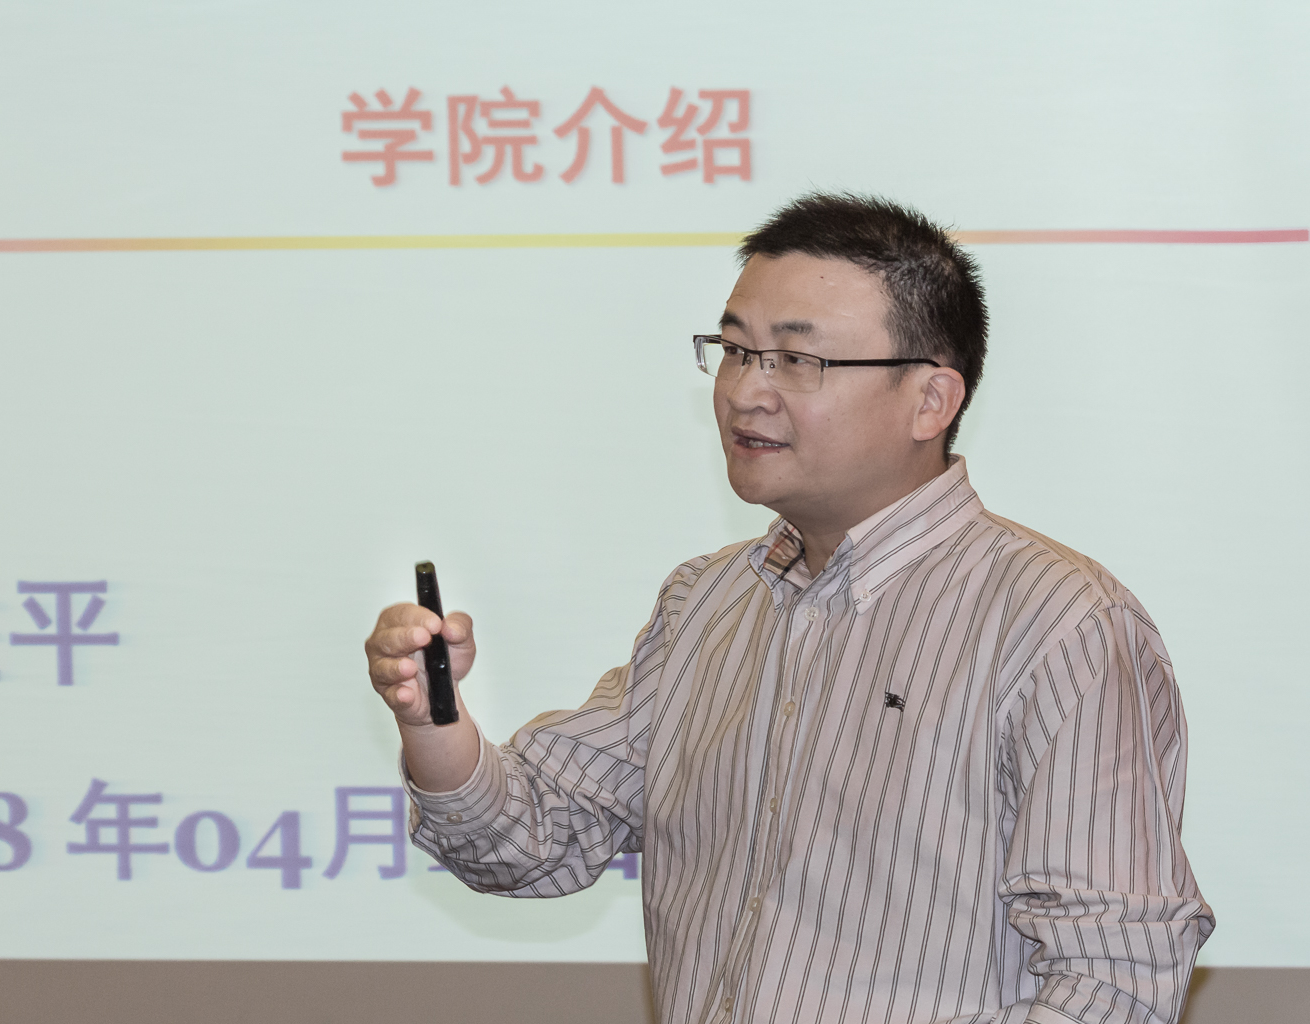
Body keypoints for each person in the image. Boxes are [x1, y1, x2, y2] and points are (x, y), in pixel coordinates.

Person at [363, 193, 1213, 1024]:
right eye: (736, 351)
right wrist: (433, 721)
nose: (745, 392)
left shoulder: (1057, 624)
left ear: (931, 400)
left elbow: (1114, 979)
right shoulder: (705, 602)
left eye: (798, 361)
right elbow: (538, 839)